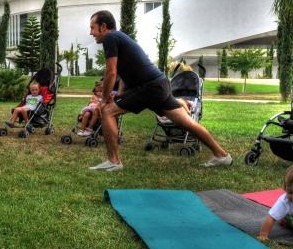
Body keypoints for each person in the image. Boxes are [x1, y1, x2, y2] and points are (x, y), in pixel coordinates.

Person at [88, 10, 231, 172]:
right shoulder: (119, 37)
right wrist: (120, 94)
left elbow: (111, 72)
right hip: (159, 84)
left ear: (104, 27)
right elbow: (123, 72)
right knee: (187, 123)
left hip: (149, 87)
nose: (91, 33)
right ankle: (222, 155)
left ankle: (114, 161)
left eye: (93, 28)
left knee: (107, 111)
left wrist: (104, 100)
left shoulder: (110, 38)